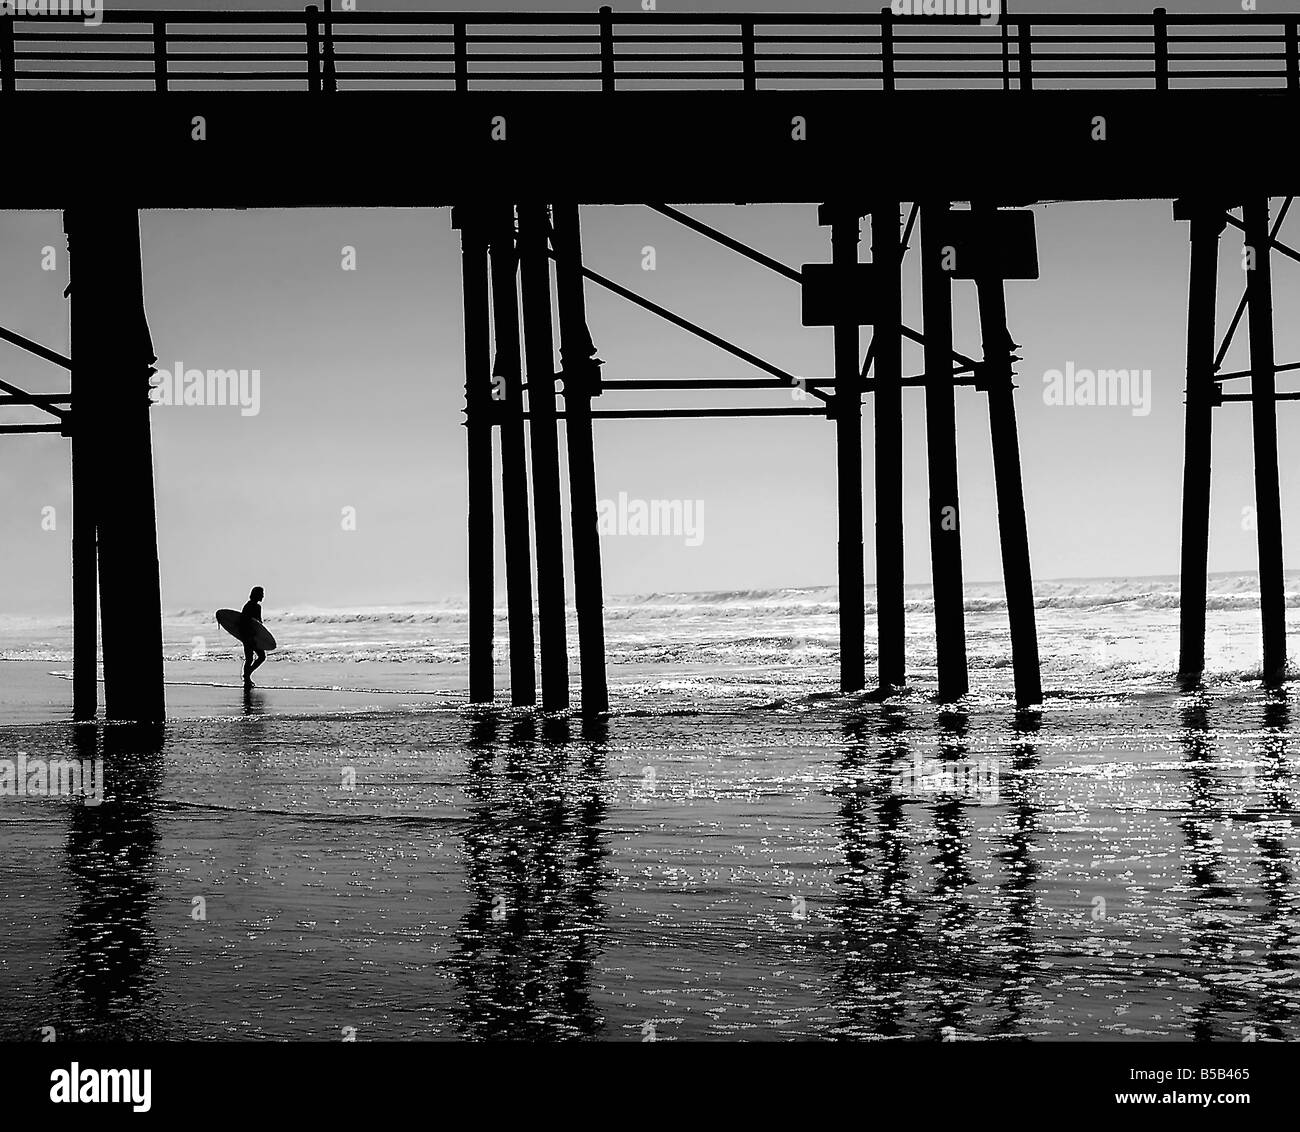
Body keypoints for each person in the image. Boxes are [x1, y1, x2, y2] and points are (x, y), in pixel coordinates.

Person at [240, 586, 267, 688]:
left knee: (252, 658)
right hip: (248, 636)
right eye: (261, 594)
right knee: (257, 657)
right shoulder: (250, 606)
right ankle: (247, 677)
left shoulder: (254, 606)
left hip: (251, 636)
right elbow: (244, 622)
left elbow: (258, 623)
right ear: (257, 594)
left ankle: (247, 676)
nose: (263, 596)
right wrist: (249, 637)